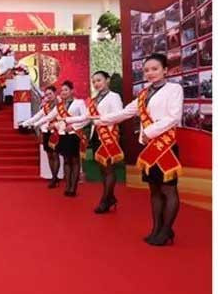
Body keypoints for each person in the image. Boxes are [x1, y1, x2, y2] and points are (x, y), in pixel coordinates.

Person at [92, 53, 183, 246]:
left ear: (165, 70)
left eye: (155, 69)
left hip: (164, 146)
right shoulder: (143, 94)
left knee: (168, 190)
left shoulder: (174, 89)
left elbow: (174, 117)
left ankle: (166, 230)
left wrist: (149, 131)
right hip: (149, 147)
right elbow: (126, 112)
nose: (150, 73)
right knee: (154, 191)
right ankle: (156, 229)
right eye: (147, 70)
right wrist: (101, 120)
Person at [77, 70, 124, 214]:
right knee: (102, 169)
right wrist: (68, 122)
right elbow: (87, 117)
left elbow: (119, 116)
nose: (96, 84)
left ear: (107, 80)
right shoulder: (94, 99)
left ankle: (105, 200)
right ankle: (110, 198)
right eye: (94, 82)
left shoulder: (114, 96)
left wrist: (100, 120)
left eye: (99, 80)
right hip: (96, 135)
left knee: (108, 169)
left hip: (109, 135)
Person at [21, 85, 60, 187]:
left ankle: (55, 178)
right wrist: (25, 123)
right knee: (49, 155)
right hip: (46, 132)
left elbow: (48, 118)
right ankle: (54, 177)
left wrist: (35, 124)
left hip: (56, 132)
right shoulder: (46, 106)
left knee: (55, 155)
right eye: (47, 95)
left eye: (50, 94)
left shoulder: (60, 105)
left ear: (55, 93)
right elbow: (37, 116)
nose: (49, 96)